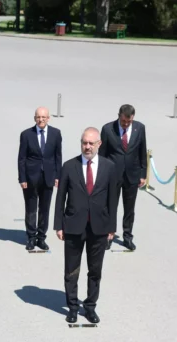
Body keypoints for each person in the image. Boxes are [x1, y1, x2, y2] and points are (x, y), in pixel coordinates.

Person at [54, 127, 117, 324]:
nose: (87, 146)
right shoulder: (69, 166)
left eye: (91, 143)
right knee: (71, 270)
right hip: (73, 226)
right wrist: (58, 225)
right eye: (84, 143)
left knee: (95, 270)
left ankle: (90, 307)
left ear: (99, 144)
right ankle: (72, 307)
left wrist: (112, 228)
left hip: (99, 227)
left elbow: (113, 200)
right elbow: (60, 197)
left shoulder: (109, 167)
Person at [99, 104, 147, 251]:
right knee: (110, 206)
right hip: (112, 175)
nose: (126, 124)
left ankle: (127, 236)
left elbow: (142, 151)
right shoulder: (108, 129)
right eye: (124, 121)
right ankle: (108, 235)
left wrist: (143, 174)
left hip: (132, 175)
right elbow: (102, 154)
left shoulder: (140, 128)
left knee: (129, 208)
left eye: (129, 121)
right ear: (119, 115)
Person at [18, 107, 63, 251]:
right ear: (34, 118)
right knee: (31, 209)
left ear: (48, 118)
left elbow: (58, 156)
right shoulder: (26, 134)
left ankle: (41, 237)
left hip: (48, 177)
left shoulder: (56, 134)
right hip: (31, 178)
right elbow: (22, 158)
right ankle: (31, 237)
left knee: (45, 209)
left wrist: (58, 176)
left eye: (43, 117)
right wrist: (22, 178)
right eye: (38, 117)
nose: (41, 120)